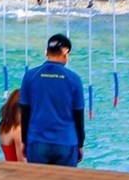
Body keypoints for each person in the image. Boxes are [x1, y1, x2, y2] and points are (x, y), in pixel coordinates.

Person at [17, 34, 85, 167]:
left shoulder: (30, 76)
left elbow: (25, 113)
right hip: (66, 142)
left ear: (46, 52)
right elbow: (78, 116)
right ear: (66, 53)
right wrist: (80, 144)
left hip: (37, 142)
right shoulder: (74, 79)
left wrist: (24, 141)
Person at [0, 89, 25, 163]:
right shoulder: (17, 130)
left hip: (9, 167)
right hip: (18, 169)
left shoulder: (3, 127)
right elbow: (21, 159)